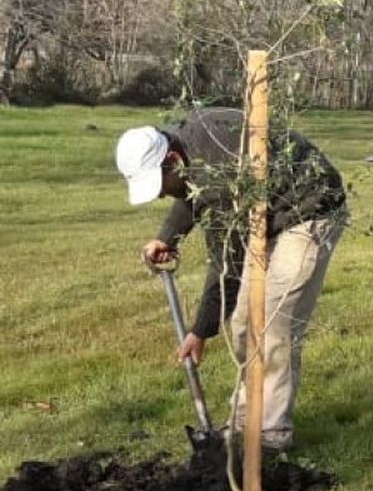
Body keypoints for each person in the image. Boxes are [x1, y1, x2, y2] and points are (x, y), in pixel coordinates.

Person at [114, 108, 346, 451]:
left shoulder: (218, 170)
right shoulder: (185, 146)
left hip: (307, 210)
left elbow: (227, 263)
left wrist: (200, 330)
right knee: (241, 325)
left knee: (273, 322)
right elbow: (189, 191)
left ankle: (269, 437)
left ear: (173, 159)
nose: (161, 195)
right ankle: (241, 424)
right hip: (266, 211)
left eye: (159, 185)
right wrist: (168, 236)